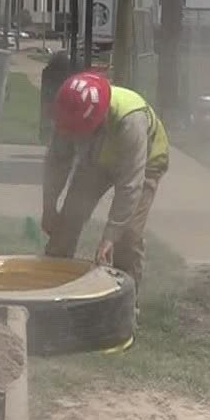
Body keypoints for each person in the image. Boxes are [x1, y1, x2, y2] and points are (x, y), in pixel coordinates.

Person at [40, 70, 169, 286]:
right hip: (98, 159)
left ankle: (126, 300)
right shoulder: (69, 111)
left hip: (145, 162)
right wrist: (49, 206)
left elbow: (130, 185)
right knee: (68, 219)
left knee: (127, 235)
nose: (73, 136)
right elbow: (57, 162)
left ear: (97, 121)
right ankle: (51, 284)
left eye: (78, 131)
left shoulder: (130, 120)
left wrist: (110, 236)